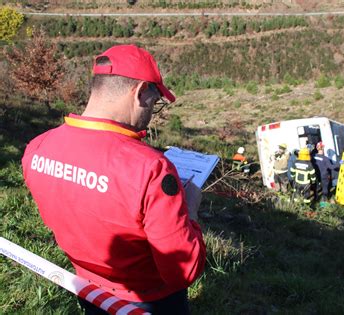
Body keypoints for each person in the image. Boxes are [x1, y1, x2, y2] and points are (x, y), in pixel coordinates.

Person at [21, 45, 206, 314]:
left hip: (87, 288)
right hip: (148, 300)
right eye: (154, 103)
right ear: (141, 92)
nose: (150, 116)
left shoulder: (37, 148)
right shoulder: (152, 169)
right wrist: (190, 209)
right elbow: (183, 270)